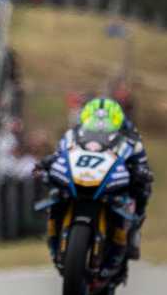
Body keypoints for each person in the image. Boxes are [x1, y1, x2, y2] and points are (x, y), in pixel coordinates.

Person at [64, 96, 154, 273]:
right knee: (55, 189)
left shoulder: (131, 137)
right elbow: (61, 153)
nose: (100, 126)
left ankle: (132, 232)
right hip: (83, 176)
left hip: (115, 182)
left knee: (141, 191)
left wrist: (141, 171)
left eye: (106, 121)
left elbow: (142, 161)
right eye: (95, 121)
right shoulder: (73, 135)